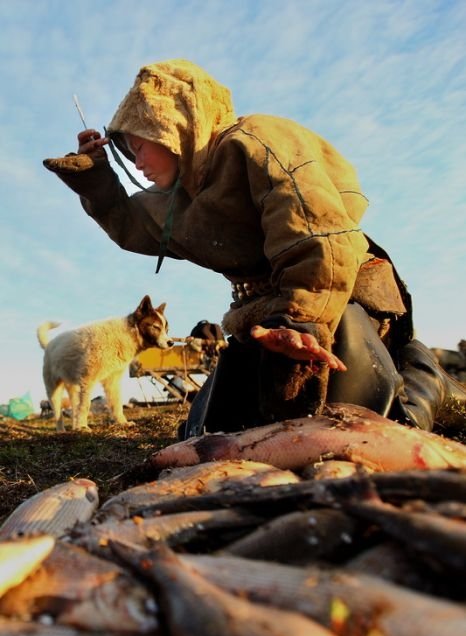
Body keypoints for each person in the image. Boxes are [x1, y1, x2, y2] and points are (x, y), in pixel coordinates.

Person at [44, 59, 465, 437]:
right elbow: (133, 226)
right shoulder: (181, 202)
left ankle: (426, 374)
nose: (136, 163)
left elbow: (316, 234)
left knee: (367, 421)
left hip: (333, 299)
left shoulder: (257, 143)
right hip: (268, 320)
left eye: (139, 146)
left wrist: (301, 322)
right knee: (212, 429)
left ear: (172, 126)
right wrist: (97, 178)